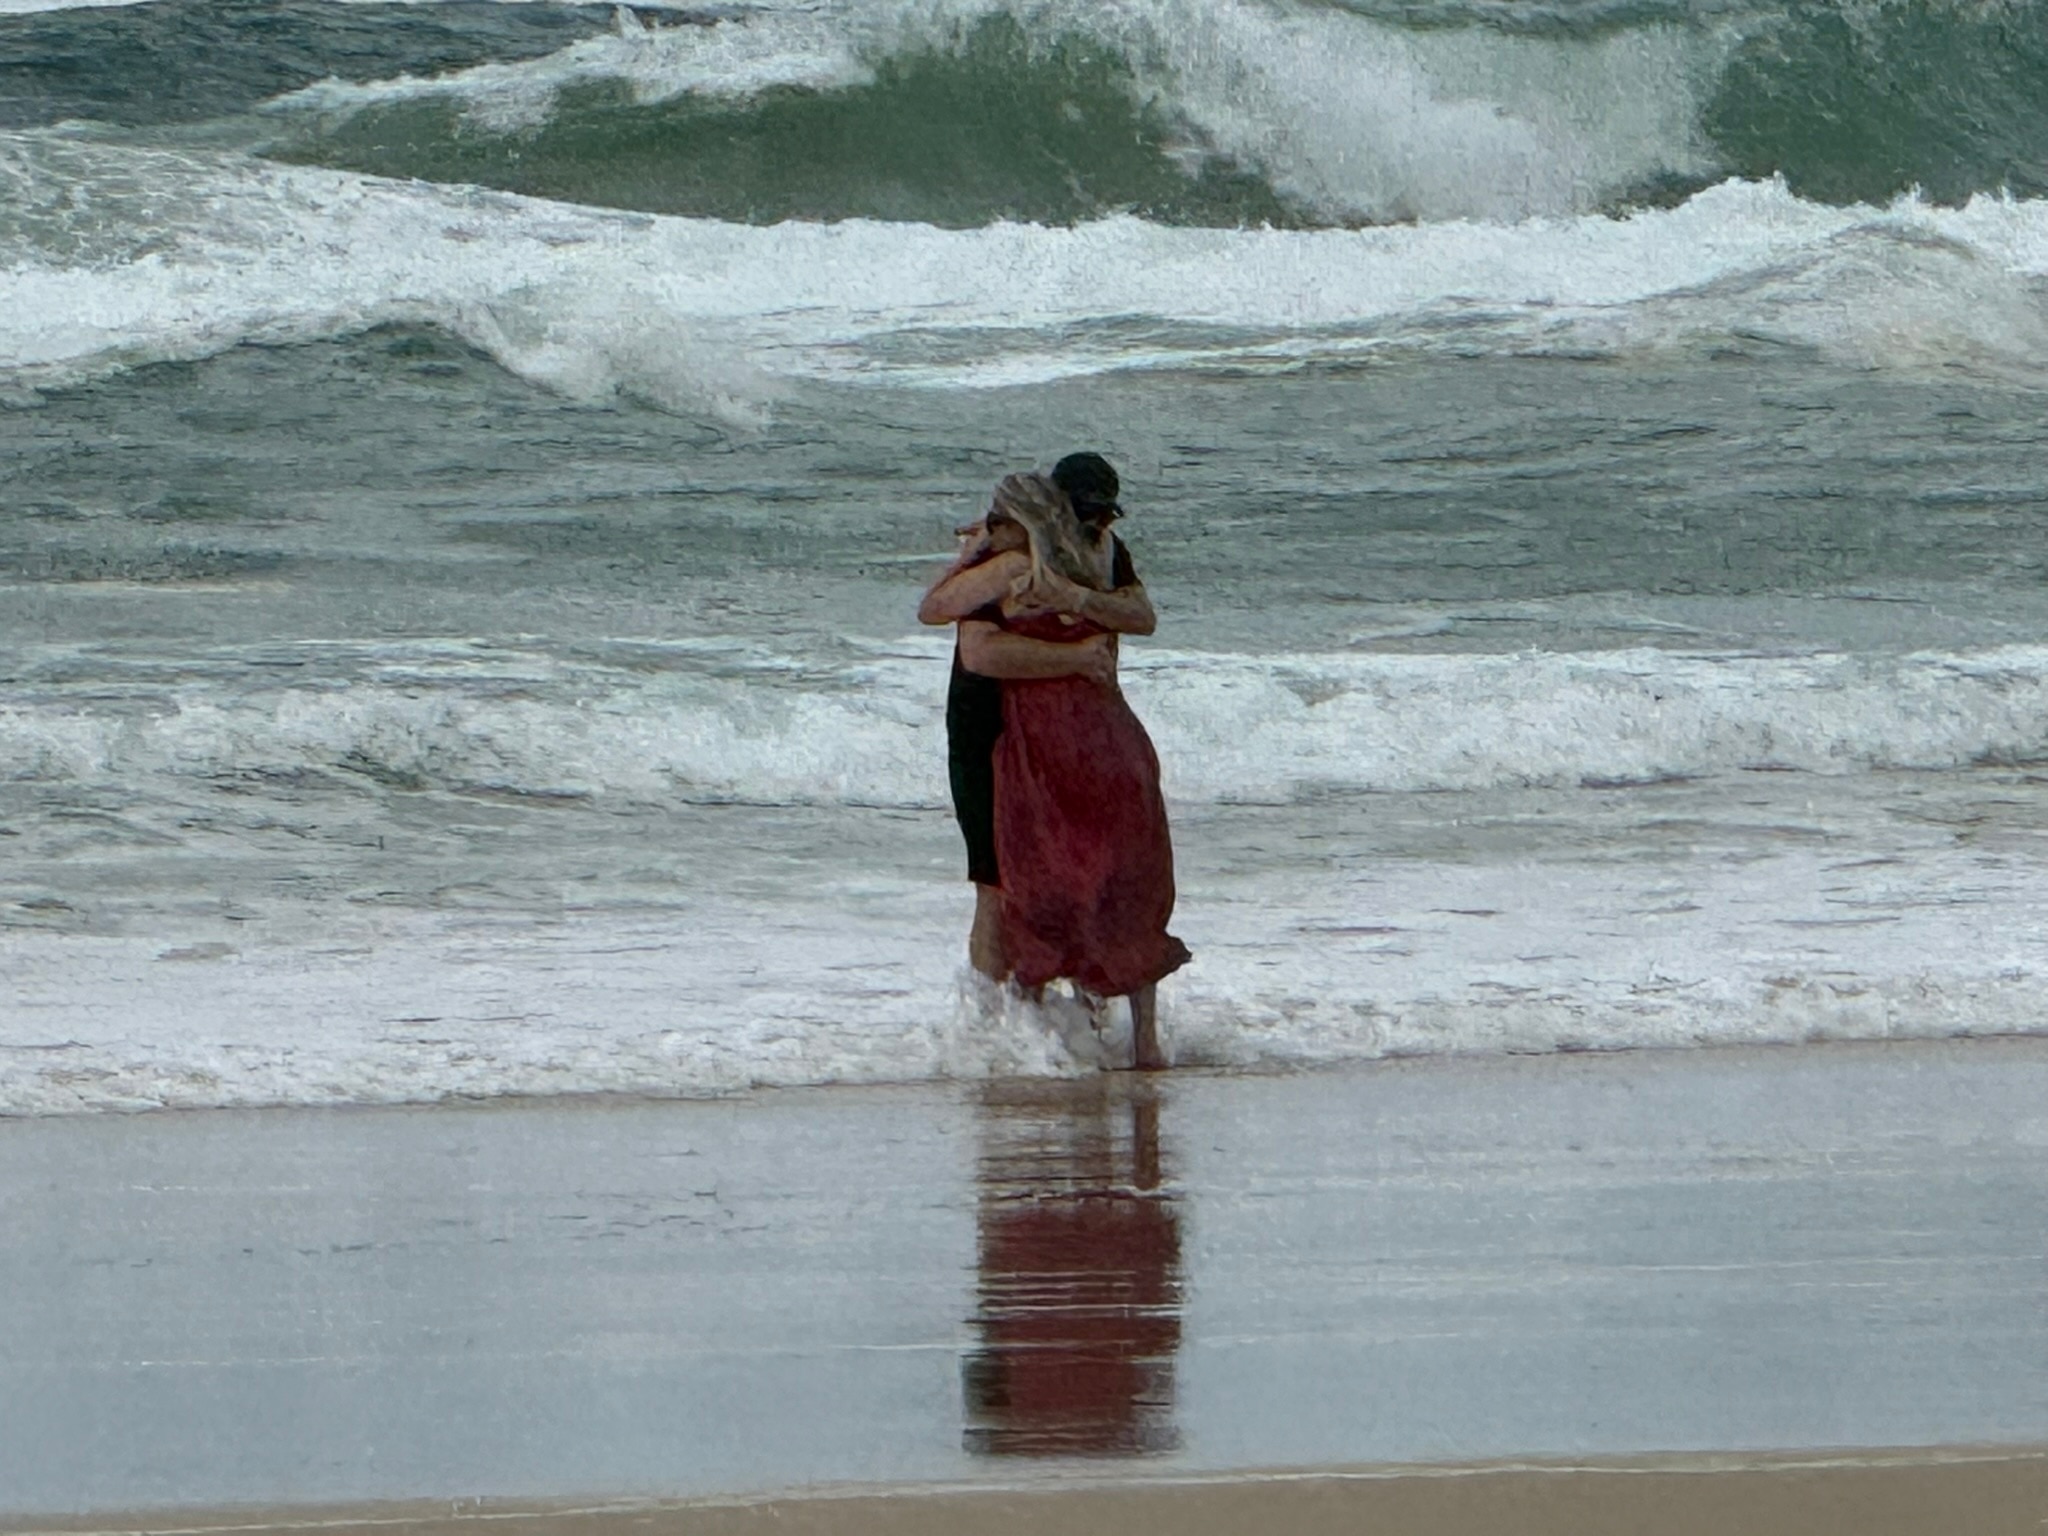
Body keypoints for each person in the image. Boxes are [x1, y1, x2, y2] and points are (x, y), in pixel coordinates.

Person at [921, 454, 1189, 1069]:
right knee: (1011, 883)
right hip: (997, 730)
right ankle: (1012, 1036)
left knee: (1082, 878)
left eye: (1103, 516)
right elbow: (978, 652)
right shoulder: (1018, 561)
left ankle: (1041, 1037)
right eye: (1086, 514)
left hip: (1070, 733)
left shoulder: (1090, 553)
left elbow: (1140, 616)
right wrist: (1081, 655)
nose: (1096, 525)